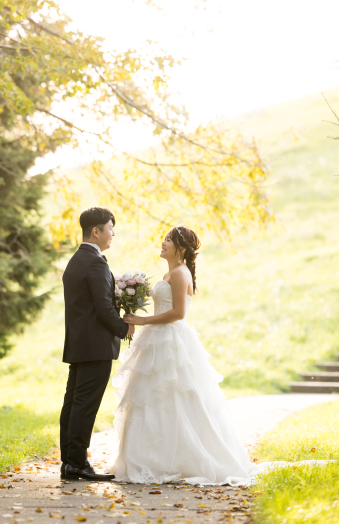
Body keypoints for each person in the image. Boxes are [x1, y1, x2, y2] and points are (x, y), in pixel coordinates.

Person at [110, 225, 294, 485]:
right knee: (151, 398)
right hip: (157, 339)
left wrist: (143, 320)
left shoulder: (180, 273)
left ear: (181, 248)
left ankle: (178, 458)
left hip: (170, 341)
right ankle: (150, 457)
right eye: (163, 239)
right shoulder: (169, 272)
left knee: (175, 397)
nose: (162, 243)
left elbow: (178, 314)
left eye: (168, 240)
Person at [59, 207, 134, 481]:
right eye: (110, 228)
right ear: (96, 231)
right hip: (96, 345)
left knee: (73, 404)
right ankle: (78, 463)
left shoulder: (75, 260)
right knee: (84, 405)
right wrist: (125, 329)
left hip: (79, 345)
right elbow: (103, 307)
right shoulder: (95, 262)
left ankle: (69, 462)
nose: (112, 234)